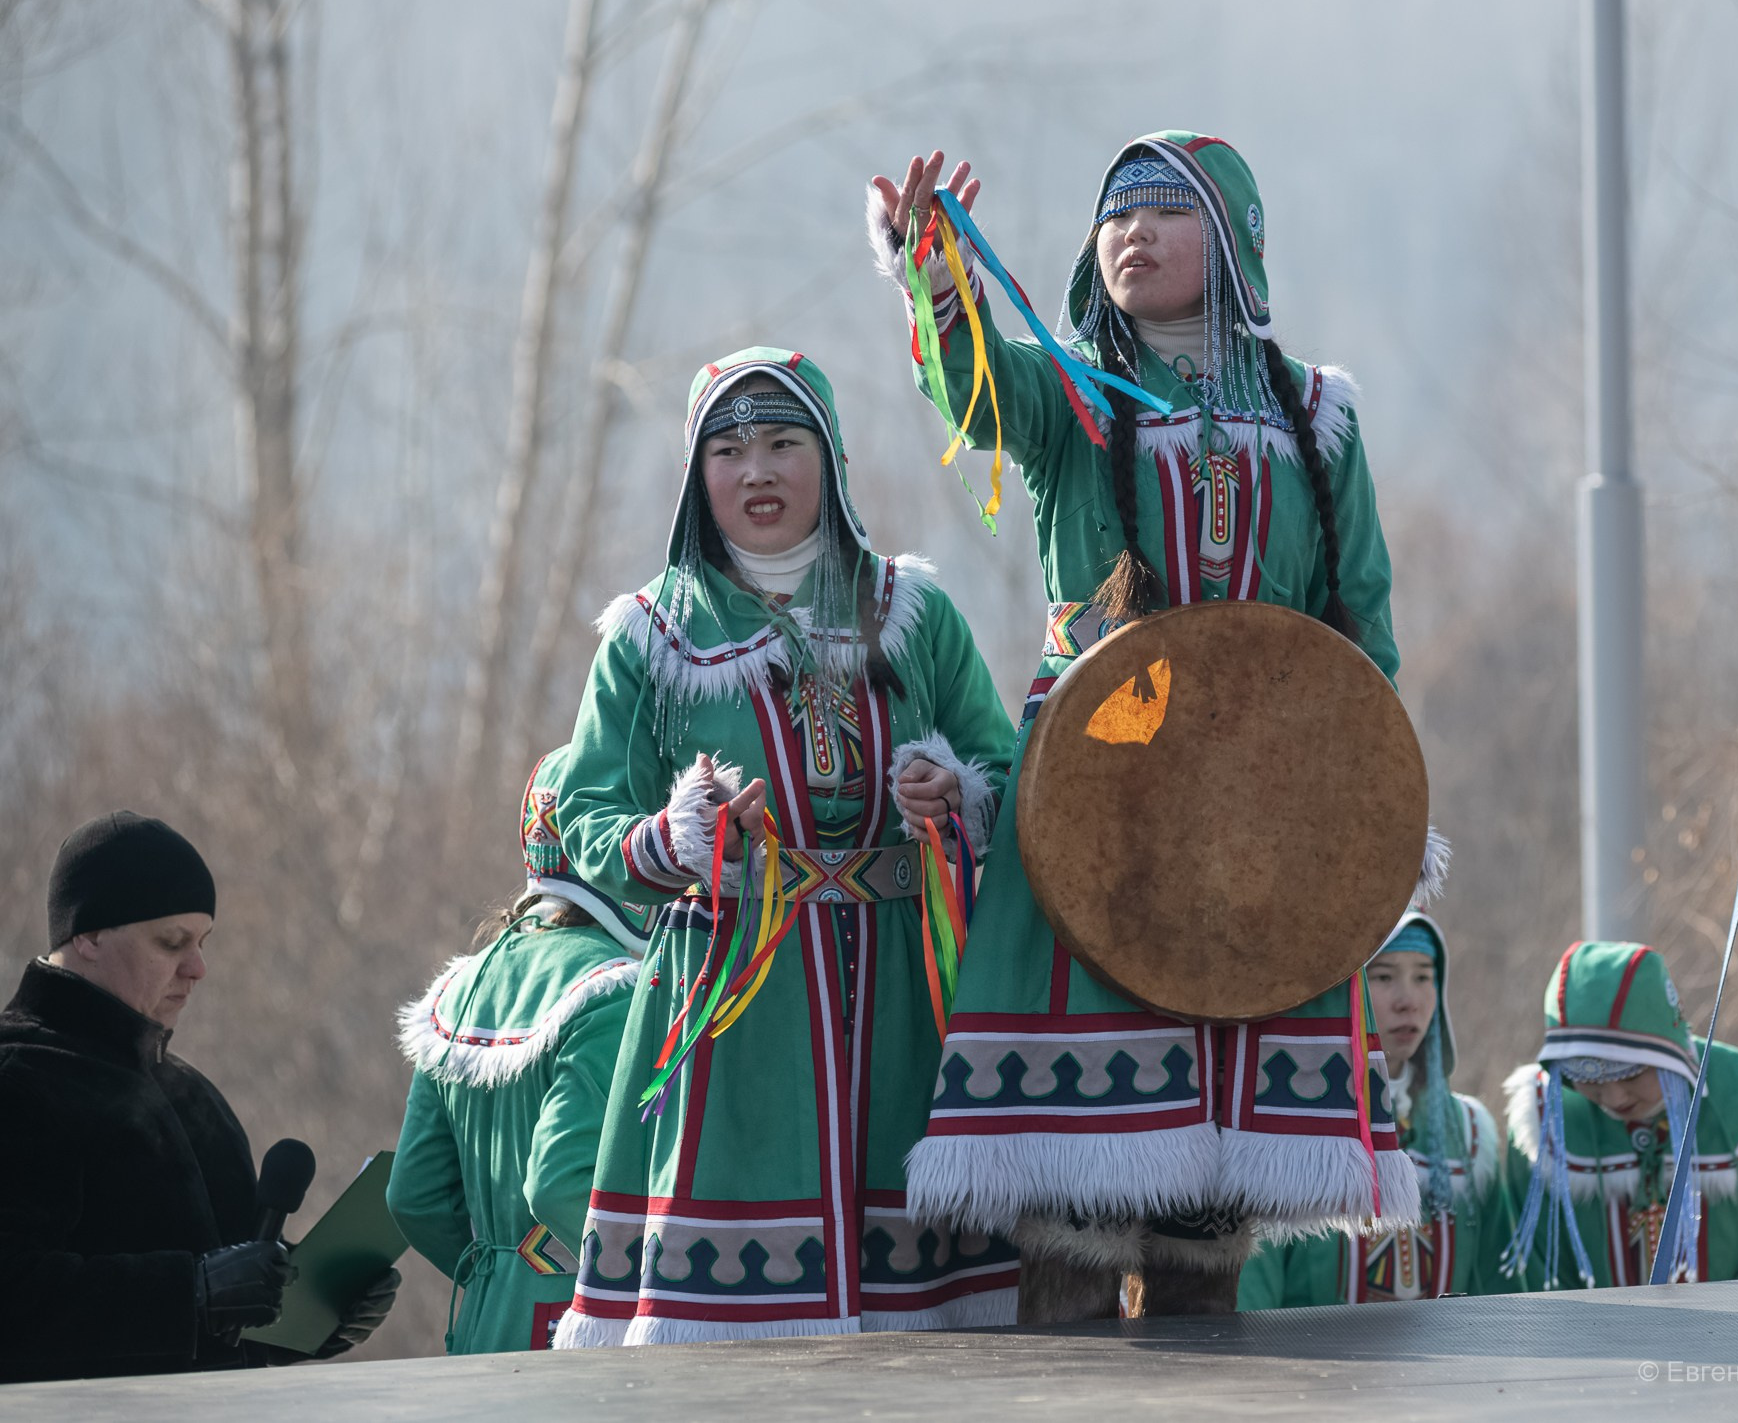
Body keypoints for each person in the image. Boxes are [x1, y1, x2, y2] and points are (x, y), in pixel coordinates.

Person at [863, 135, 1427, 1320]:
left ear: (1230, 243)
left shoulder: (1314, 414)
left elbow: (1358, 613)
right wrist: (931, 271)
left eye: (1165, 211)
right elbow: (969, 380)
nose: (1131, 230)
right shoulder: (1070, 391)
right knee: (1071, 1193)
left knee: (1204, 1219)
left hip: (1259, 815)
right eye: (1114, 212)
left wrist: (1363, 799)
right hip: (1097, 795)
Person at [552, 348, 1019, 1346]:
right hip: (733, 1010)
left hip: (900, 995)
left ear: (831, 459)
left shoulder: (912, 612)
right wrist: (673, 836)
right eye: (726, 449)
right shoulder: (650, 636)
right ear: (696, 475)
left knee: (922, 1346)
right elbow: (582, 810)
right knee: (737, 1345)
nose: (754, 470)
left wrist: (958, 791)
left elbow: (1009, 770)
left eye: (780, 442)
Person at [0, 812, 396, 1383]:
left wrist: (314, 1307)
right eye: (172, 942)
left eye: (203, 941)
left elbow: (225, 1308)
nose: (198, 968)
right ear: (87, 935)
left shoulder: (188, 1090)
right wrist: (190, 1293)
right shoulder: (18, 1082)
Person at [387, 748, 652, 1353]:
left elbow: (414, 1195)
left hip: (481, 1323)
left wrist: (504, 1268)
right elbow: (560, 1182)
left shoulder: (461, 985)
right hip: (580, 1336)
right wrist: (674, 1288)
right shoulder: (616, 990)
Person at [1238, 908, 1517, 1307]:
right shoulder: (1288, 1128)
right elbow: (1253, 1303)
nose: (1409, 1001)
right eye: (1383, 977)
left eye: (1423, 976)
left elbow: (1504, 1298)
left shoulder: (1468, 1134)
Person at [1502, 940, 1738, 1288]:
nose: (1613, 1096)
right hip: (1591, 1340)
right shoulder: (1542, 1121)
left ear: (1672, 1053)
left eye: (1632, 1073)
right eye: (1587, 1077)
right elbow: (1538, 1273)